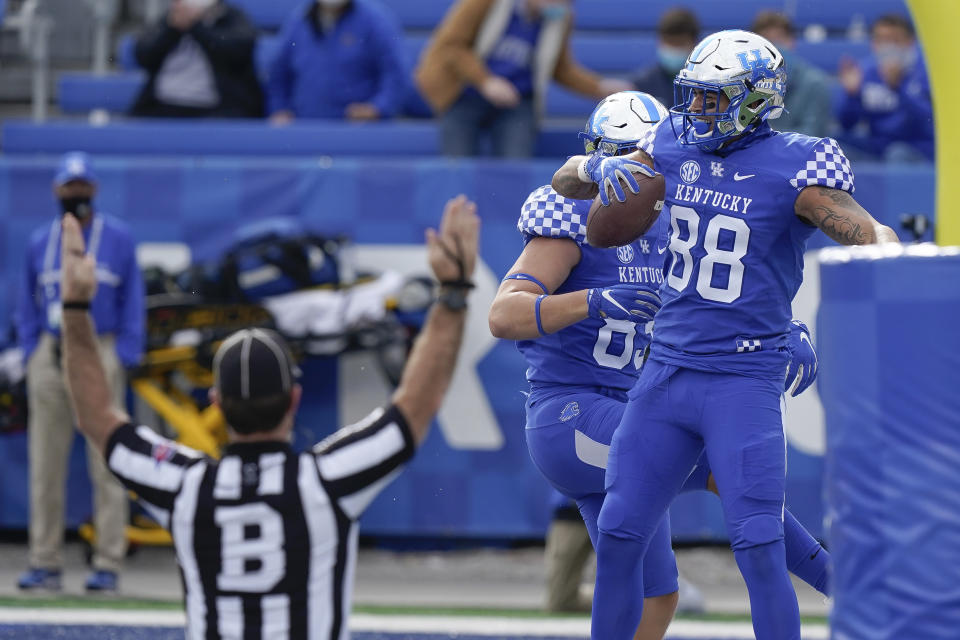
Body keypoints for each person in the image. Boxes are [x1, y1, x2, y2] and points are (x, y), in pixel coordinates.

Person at [551, 31, 898, 639]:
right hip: (664, 374)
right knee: (619, 532)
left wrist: (885, 245)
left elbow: (861, 226)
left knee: (759, 543)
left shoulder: (798, 162)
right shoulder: (671, 142)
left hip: (742, 380)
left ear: (757, 99)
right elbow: (566, 182)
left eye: (716, 99)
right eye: (697, 97)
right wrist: (596, 165)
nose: (699, 111)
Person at [57, 195, 478, 636]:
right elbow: (414, 407)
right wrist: (452, 293)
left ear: (217, 402)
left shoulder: (186, 487)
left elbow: (98, 418)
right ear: (294, 400)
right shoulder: (325, 482)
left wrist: (74, 309)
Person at [495, 91, 831, 638]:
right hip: (571, 412)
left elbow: (721, 299)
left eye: (653, 160)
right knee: (730, 467)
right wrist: (592, 301)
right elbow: (503, 316)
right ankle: (845, 582)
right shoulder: (575, 219)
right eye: (632, 162)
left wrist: (780, 328)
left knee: (659, 596)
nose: (648, 176)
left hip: (630, 407)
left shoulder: (682, 214)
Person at [14, 152, 145, 592]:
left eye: (82, 187)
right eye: (69, 188)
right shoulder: (39, 241)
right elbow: (26, 300)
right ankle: (44, 559)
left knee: (107, 461)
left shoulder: (118, 238)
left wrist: (125, 350)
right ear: (56, 190)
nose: (76, 195)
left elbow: (133, 297)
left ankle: (109, 561)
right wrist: (33, 349)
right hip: (52, 351)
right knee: (44, 464)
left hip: (99, 345)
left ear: (95, 189)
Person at [415, 0, 631, 157]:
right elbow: (452, 46)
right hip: (465, 94)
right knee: (457, 166)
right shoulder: (484, 4)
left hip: (517, 102)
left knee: (514, 168)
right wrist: (485, 81)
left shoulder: (560, 17)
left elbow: (560, 68)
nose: (564, 5)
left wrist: (599, 87)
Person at [267, 0, 407, 123]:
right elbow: (279, 73)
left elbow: (396, 73)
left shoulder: (376, 19)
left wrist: (377, 108)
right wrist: (280, 109)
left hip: (358, 130)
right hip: (306, 127)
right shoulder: (298, 19)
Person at [130, 0, 264, 118]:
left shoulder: (233, 17)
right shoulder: (169, 20)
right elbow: (143, 56)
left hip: (219, 110)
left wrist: (196, 26)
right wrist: (172, 30)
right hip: (163, 105)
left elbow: (237, 53)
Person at [835, 14, 933, 162]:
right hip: (877, 147)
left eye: (894, 40)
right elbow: (846, 124)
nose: (886, 46)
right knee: (832, 145)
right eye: (880, 39)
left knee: (897, 153)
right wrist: (852, 95)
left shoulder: (926, 72)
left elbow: (928, 122)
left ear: (909, 42)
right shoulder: (866, 71)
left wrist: (898, 86)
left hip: (918, 149)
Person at [752, 11, 833, 138]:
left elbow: (812, 137)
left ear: (792, 42)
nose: (774, 46)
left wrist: (763, 138)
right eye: (767, 40)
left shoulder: (815, 83)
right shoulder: (742, 83)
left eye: (780, 38)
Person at [630, 8, 699, 108]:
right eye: (669, 43)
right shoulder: (646, 81)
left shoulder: (707, 81)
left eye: (679, 44)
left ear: (694, 43)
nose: (674, 50)